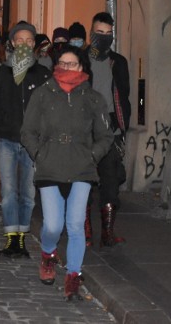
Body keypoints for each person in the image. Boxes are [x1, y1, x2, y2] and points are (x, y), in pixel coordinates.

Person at [21, 45, 113, 300]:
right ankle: (48, 253)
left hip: (82, 168)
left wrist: (92, 155)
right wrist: (39, 154)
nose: (65, 68)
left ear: (82, 67)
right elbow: (27, 131)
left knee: (74, 225)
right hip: (50, 166)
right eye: (61, 63)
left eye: (71, 64)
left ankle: (73, 275)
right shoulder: (42, 94)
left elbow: (106, 135)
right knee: (52, 225)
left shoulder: (93, 98)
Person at [0, 21, 51, 258]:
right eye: (19, 40)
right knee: (9, 191)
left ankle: (21, 239)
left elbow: (50, 107)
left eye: (29, 40)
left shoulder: (43, 74)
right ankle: (11, 238)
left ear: (35, 44)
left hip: (33, 144)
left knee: (28, 194)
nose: (24, 44)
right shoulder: (1, 74)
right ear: (12, 43)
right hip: (7, 141)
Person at [84, 12, 132, 247]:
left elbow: (125, 96)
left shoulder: (118, 62)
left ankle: (107, 232)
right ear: (90, 32)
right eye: (99, 32)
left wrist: (122, 126)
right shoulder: (80, 59)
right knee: (82, 180)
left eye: (107, 33)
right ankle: (84, 230)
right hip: (83, 129)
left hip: (110, 130)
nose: (103, 37)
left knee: (110, 182)